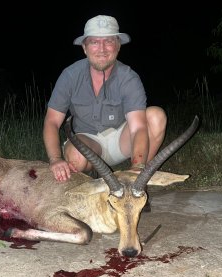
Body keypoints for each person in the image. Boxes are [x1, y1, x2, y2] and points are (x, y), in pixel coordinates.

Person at [43, 15, 167, 183]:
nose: (102, 49)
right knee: (75, 156)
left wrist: (138, 167)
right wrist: (55, 159)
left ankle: (136, 183)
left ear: (118, 46)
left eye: (108, 41)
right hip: (88, 144)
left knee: (156, 116)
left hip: (120, 141)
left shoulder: (129, 78)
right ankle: (90, 177)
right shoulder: (70, 76)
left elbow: (138, 128)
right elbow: (52, 121)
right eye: (94, 42)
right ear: (84, 47)